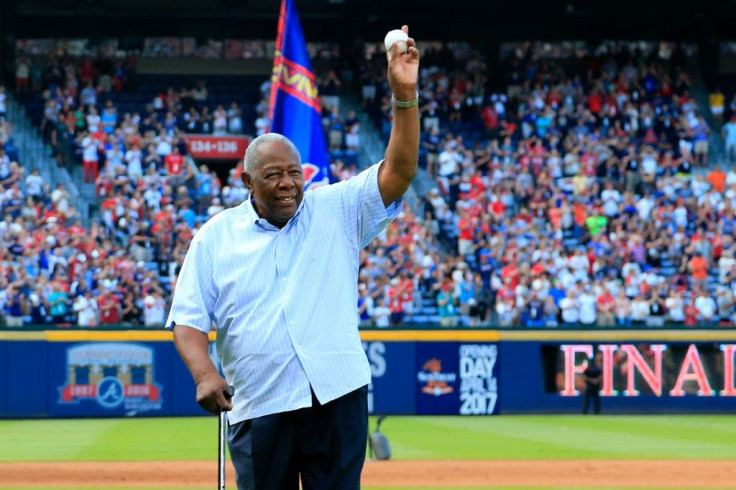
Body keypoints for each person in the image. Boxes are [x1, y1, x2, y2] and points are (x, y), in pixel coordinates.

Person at [165, 26, 420, 490]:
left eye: (293, 172)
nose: (287, 182)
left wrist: (404, 95)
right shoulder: (215, 237)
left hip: (336, 395)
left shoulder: (337, 209)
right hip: (259, 403)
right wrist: (204, 374)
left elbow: (399, 171)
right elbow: (187, 321)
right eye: (273, 175)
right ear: (247, 182)